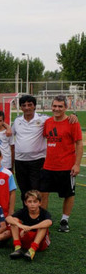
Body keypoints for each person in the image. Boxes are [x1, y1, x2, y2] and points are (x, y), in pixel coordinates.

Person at [10, 95, 77, 204]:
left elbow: (59, 117)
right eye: (24, 105)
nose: (27, 107)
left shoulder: (43, 119)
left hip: (37, 161)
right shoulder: (17, 120)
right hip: (20, 161)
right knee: (24, 190)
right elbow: (9, 134)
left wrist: (73, 115)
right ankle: (26, 213)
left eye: (30, 105)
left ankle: (37, 215)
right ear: (21, 107)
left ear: (35, 106)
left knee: (37, 191)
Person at [40, 95, 83, 232]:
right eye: (54, 106)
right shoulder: (47, 122)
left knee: (68, 194)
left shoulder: (72, 122)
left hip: (66, 166)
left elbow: (79, 143)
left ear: (66, 108)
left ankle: (64, 220)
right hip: (49, 165)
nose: (57, 109)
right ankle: (43, 219)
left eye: (60, 106)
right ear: (51, 106)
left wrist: (77, 164)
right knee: (44, 193)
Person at [5, 190, 52, 261]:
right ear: (25, 203)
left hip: (39, 243)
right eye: (29, 202)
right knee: (14, 220)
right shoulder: (23, 211)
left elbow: (49, 222)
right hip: (25, 238)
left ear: (40, 203)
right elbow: (8, 218)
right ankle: (17, 248)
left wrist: (30, 228)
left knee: (43, 225)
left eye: (35, 202)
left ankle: (32, 250)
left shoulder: (44, 213)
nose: (32, 204)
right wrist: (21, 226)